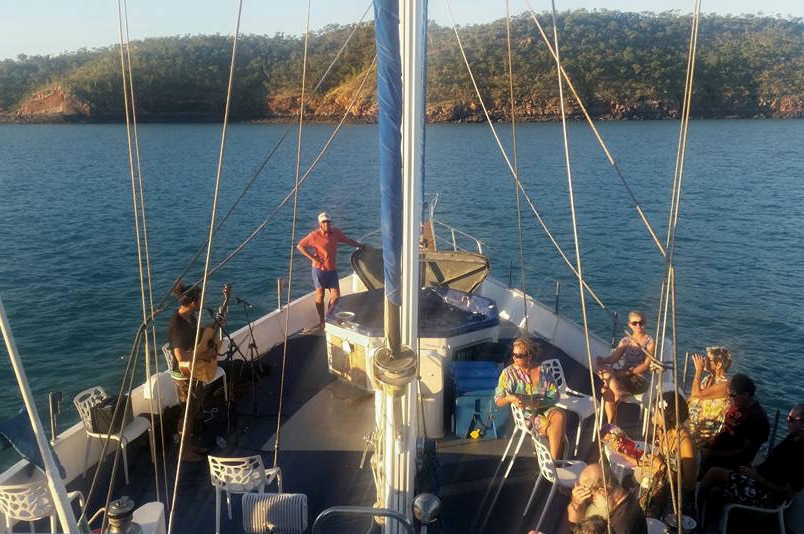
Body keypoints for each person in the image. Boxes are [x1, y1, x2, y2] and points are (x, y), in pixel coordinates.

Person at [698, 404, 804, 527]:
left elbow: (788, 492)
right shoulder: (792, 438)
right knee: (714, 490)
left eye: (791, 420)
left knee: (715, 473)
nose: (787, 422)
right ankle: (710, 520)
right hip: (757, 481)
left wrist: (757, 478)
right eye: (788, 417)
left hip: (767, 495)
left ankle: (694, 507)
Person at [168, 283, 219, 462]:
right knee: (187, 412)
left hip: (192, 371)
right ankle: (184, 452)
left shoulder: (190, 317)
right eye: (199, 299)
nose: (202, 302)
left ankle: (188, 445)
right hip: (183, 374)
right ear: (192, 303)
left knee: (190, 411)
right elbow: (181, 355)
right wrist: (207, 354)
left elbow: (195, 338)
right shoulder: (177, 324)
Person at [494, 338, 566, 459]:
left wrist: (536, 403)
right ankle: (556, 463)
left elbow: (554, 397)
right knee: (556, 429)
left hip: (545, 407)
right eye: (514, 354)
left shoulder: (543, 370)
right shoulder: (508, 374)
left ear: (529, 356)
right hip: (527, 415)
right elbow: (498, 401)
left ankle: (553, 465)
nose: (515, 358)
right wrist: (510, 398)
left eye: (519, 355)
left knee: (561, 416)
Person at [634, 392, 698, 518]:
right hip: (663, 480)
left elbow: (689, 485)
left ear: (667, 417)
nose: (653, 415)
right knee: (638, 471)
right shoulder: (664, 431)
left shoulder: (685, 444)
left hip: (676, 495)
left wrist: (661, 467)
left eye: (656, 412)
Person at [297, 212, 363, 331]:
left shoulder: (335, 233)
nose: (326, 224)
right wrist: (312, 257)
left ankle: (328, 317)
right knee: (320, 295)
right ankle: (322, 321)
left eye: (328, 221)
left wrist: (360, 245)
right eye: (324, 222)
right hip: (319, 270)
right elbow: (300, 246)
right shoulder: (314, 235)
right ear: (319, 224)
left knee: (336, 297)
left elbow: (347, 240)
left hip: (332, 270)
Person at [699, 373, 769, 476]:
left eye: (732, 395)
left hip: (731, 460)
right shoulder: (737, 405)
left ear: (745, 395)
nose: (729, 398)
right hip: (719, 447)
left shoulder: (757, 419)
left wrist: (715, 454)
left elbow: (744, 452)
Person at [595, 311, 656, 425]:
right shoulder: (626, 341)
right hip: (624, 375)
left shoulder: (649, 342)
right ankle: (612, 423)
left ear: (645, 323)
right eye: (635, 323)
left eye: (641, 322)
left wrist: (626, 373)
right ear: (629, 324)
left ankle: (611, 425)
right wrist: (603, 360)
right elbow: (614, 358)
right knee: (602, 370)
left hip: (639, 378)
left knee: (606, 390)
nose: (638, 325)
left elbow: (646, 366)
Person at [567, 463, 647, 534]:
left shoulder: (621, 526)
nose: (591, 501)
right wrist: (576, 504)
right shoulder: (627, 494)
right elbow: (577, 528)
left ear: (603, 491)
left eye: (591, 497)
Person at [688, 346, 733, 447]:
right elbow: (692, 397)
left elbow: (696, 394)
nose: (704, 360)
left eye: (709, 359)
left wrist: (698, 371)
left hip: (705, 435)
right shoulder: (707, 379)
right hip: (693, 427)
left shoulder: (724, 385)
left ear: (719, 364)